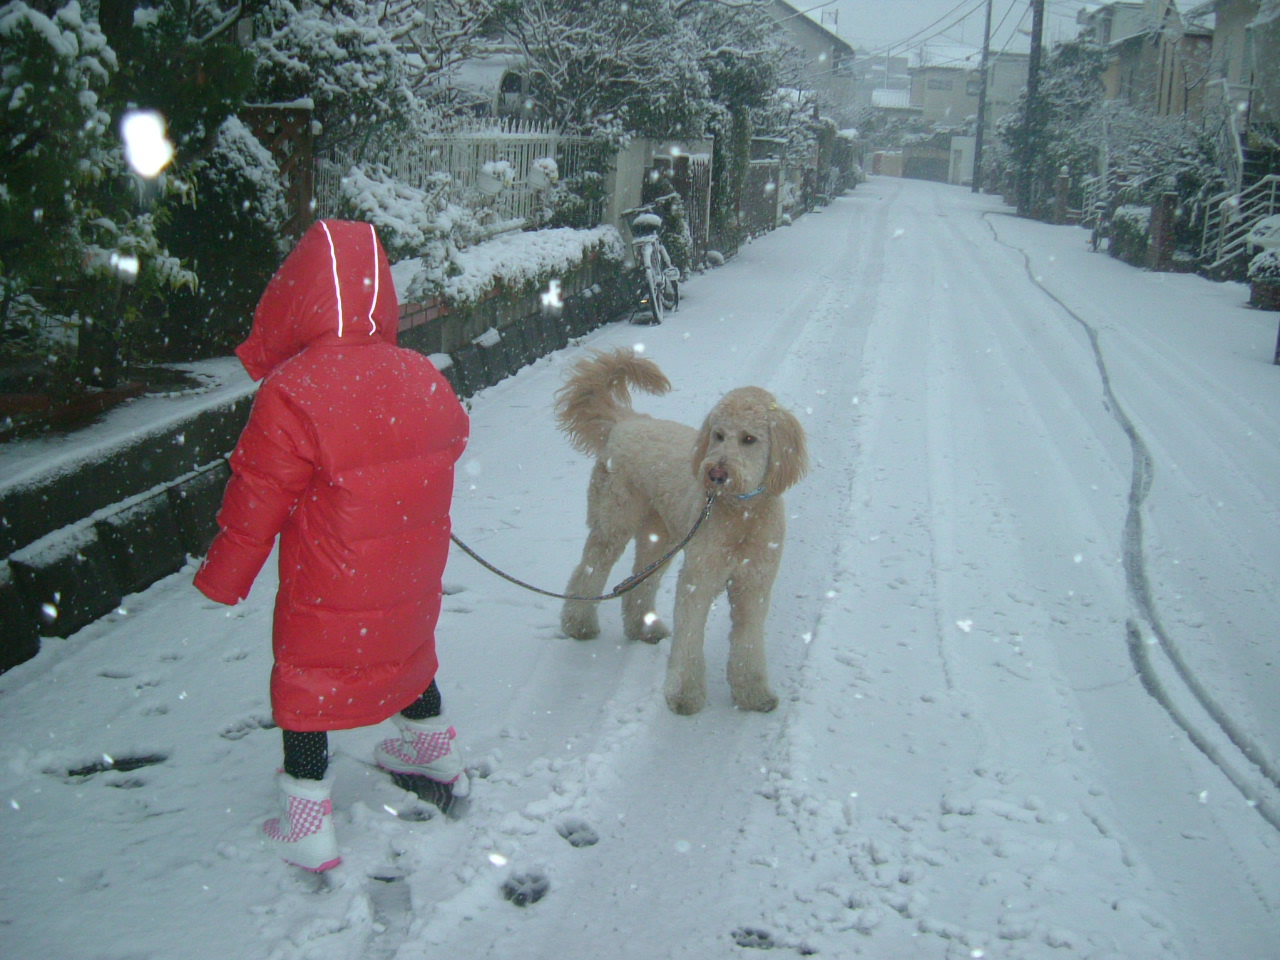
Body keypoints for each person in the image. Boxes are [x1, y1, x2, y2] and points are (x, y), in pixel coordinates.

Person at [194, 219, 470, 872]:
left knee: (309, 676)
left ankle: (308, 823)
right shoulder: (420, 373)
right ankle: (433, 753)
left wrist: (223, 577)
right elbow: (453, 435)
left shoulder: (294, 390)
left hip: (332, 571)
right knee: (404, 647)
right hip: (409, 564)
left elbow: (256, 499)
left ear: (301, 296)